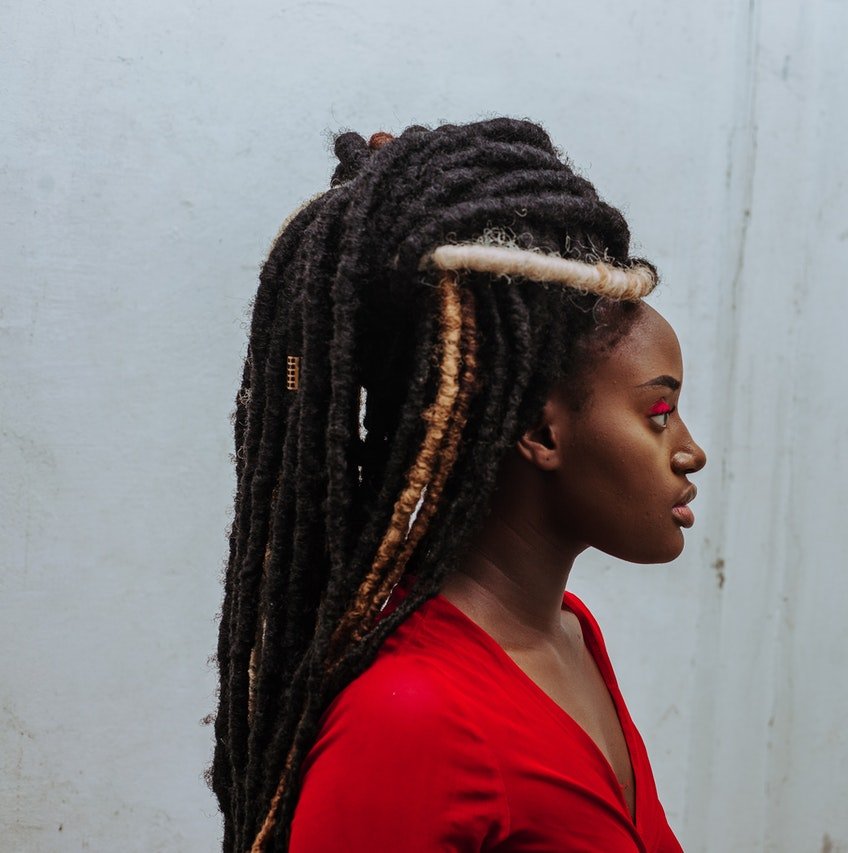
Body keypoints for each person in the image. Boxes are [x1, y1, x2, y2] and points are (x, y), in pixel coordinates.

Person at [211, 118, 706, 853]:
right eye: (658, 412)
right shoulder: (410, 713)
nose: (690, 452)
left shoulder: (570, 634)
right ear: (540, 433)